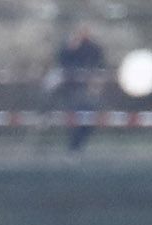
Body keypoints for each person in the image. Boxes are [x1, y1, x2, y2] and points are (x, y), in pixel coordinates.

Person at [53, 21, 108, 152]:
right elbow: (61, 63)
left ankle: (79, 145)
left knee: (89, 117)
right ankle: (74, 147)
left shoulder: (94, 48)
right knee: (75, 117)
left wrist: (96, 82)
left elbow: (100, 66)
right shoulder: (70, 47)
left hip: (88, 90)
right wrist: (69, 48)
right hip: (72, 89)